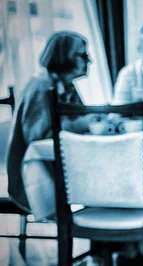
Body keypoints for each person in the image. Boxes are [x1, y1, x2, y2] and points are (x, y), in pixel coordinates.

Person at [7, 31, 94, 216]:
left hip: (61, 167)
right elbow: (38, 137)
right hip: (33, 173)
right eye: (83, 55)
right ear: (64, 58)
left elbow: (80, 118)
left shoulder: (66, 85)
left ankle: (108, 233)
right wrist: (86, 122)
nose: (89, 60)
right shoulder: (41, 85)